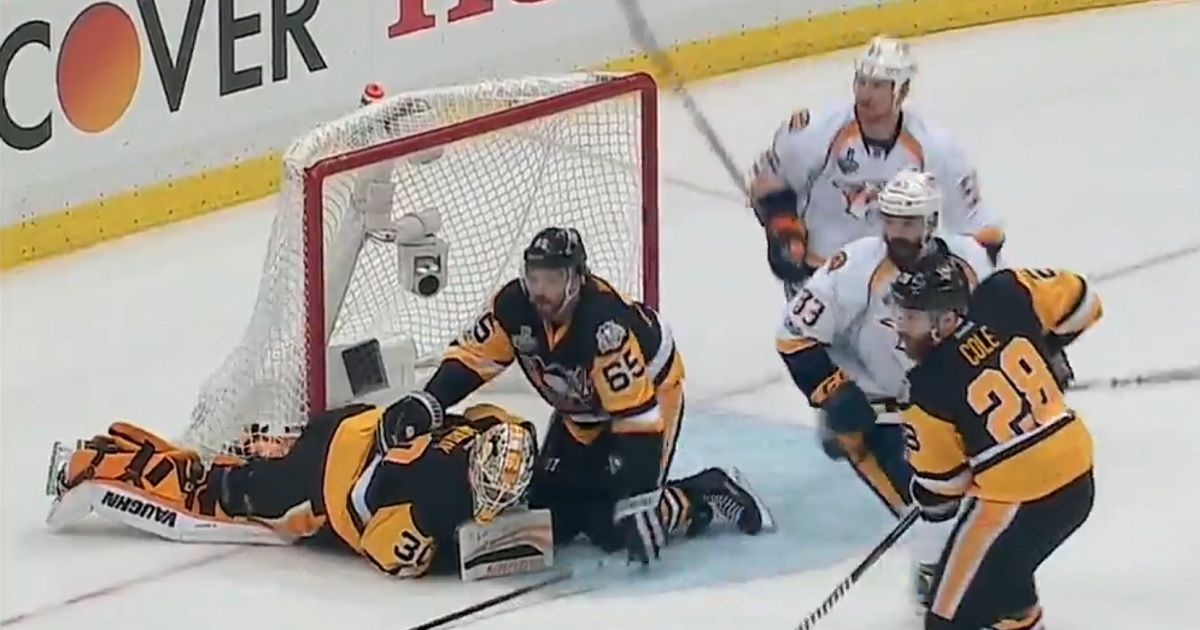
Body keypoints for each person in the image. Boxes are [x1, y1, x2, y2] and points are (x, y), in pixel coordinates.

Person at [403, 226, 774, 567]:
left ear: (577, 279)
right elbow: (473, 358)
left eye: (553, 280)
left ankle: (706, 491)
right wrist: (428, 402)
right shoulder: (513, 306)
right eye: (535, 278)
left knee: (615, 525)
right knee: (552, 514)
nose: (541, 291)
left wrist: (639, 498)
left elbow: (638, 417)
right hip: (582, 410)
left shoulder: (603, 327)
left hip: (649, 398)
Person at [774, 169, 995, 610]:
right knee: (935, 521)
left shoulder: (970, 259)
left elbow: (999, 321)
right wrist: (834, 393)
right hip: (884, 414)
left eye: (907, 223)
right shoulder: (854, 267)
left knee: (986, 513)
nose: (896, 233)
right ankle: (936, 594)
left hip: (956, 407)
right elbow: (792, 335)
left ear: (931, 223)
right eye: (890, 220)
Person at [46, 402, 540, 578]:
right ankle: (86, 466)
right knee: (215, 495)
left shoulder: (495, 432)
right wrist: (451, 556)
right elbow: (381, 547)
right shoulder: (436, 501)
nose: (497, 499)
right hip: (319, 486)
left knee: (249, 466)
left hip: (354, 422)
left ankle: (258, 453)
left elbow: (497, 420)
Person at [891, 254, 1100, 630]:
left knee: (947, 620)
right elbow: (1085, 302)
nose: (901, 328)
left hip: (1019, 502)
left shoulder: (925, 388)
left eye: (912, 317)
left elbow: (946, 489)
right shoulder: (1006, 294)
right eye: (900, 314)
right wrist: (1046, 349)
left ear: (946, 319)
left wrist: (924, 493)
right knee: (1008, 580)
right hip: (1078, 481)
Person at [747, 35, 1005, 299]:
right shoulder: (812, 134)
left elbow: (977, 225)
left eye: (878, 85)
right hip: (821, 277)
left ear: (902, 90)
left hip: (895, 285)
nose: (864, 94)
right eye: (861, 81)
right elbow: (769, 185)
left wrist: (983, 282)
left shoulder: (936, 148)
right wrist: (783, 228)